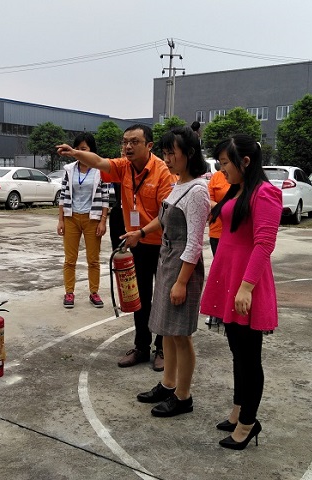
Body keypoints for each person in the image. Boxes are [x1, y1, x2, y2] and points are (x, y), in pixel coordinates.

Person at [57, 124, 174, 371]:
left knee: (163, 298)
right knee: (140, 297)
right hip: (138, 243)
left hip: (161, 244)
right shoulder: (124, 166)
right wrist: (75, 153)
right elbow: (99, 162)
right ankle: (142, 346)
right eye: (125, 142)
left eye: (134, 142)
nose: (128, 146)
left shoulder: (163, 172)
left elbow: (166, 215)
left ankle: (162, 348)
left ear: (149, 145)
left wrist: (141, 232)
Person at [200, 134, 282, 451]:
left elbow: (264, 244)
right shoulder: (239, 189)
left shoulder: (265, 193)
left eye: (225, 163)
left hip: (247, 283)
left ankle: (249, 422)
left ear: (245, 161)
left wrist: (246, 287)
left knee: (249, 357)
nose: (222, 170)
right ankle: (238, 410)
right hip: (229, 278)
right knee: (237, 352)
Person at [123, 127, 209, 417]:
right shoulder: (178, 183)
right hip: (168, 261)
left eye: (172, 153)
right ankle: (168, 384)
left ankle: (183, 397)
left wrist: (182, 282)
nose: (167, 158)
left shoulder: (197, 190)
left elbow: (195, 243)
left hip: (182, 266)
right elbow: (162, 220)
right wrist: (140, 233)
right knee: (168, 331)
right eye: (165, 152)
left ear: (190, 153)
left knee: (181, 335)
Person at [57, 132, 109, 309]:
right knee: (70, 259)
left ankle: (94, 292)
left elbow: (105, 198)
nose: (80, 152)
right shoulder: (69, 170)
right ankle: (69, 292)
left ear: (91, 150)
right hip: (71, 218)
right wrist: (61, 220)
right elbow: (63, 195)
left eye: (84, 149)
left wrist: (103, 221)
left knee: (93, 260)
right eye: (77, 149)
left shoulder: (100, 170)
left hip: (92, 218)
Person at [205, 168, 231, 327]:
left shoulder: (243, 177)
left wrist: (221, 207)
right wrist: (228, 207)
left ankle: (232, 310)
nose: (224, 165)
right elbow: (208, 201)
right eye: (222, 161)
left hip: (235, 234)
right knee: (220, 273)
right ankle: (218, 311)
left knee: (233, 274)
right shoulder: (217, 177)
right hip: (217, 232)